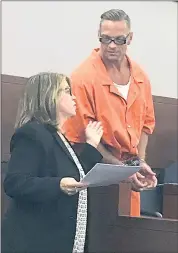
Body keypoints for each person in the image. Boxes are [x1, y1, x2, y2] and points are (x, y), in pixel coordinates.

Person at [64, 9, 157, 216]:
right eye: (105, 39)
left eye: (118, 40)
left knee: (127, 238)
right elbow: (84, 138)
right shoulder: (83, 77)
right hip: (94, 174)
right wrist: (122, 170)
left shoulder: (140, 76)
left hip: (128, 176)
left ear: (130, 38)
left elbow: (146, 124)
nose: (111, 46)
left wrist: (137, 162)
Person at [1, 72, 104, 253]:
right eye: (66, 91)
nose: (73, 97)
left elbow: (74, 177)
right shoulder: (32, 134)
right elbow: (15, 182)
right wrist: (58, 185)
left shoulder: (57, 136)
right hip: (35, 242)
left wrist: (92, 145)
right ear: (48, 96)